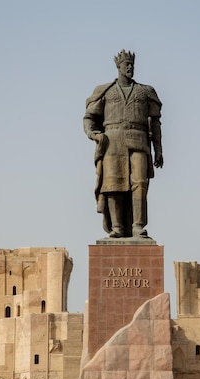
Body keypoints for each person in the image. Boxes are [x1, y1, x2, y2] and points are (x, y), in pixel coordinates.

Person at [83, 50, 163, 238]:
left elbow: (156, 122)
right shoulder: (105, 91)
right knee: (112, 184)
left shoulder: (145, 91)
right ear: (118, 67)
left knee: (140, 183)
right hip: (112, 141)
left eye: (131, 65)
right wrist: (93, 134)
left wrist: (158, 149)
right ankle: (117, 227)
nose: (129, 67)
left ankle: (137, 226)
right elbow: (89, 118)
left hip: (139, 140)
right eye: (126, 65)